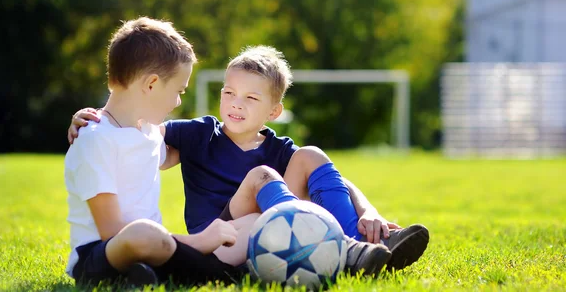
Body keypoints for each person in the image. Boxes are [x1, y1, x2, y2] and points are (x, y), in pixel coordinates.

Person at [69, 45, 428, 273]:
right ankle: (347, 251)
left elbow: (335, 181)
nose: (236, 104)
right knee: (262, 176)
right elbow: (140, 133)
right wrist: (92, 118)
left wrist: (368, 211)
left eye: (251, 99)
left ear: (274, 110)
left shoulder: (278, 148)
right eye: (229, 93)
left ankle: (362, 246)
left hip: (263, 231)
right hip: (217, 240)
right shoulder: (198, 133)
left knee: (311, 156)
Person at [65, 18, 298, 288]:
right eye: (178, 91)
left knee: (255, 222)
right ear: (151, 84)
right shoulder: (95, 140)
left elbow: (189, 154)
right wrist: (199, 241)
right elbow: (113, 233)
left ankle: (180, 273)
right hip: (101, 255)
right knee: (144, 233)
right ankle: (212, 267)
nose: (178, 101)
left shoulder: (149, 133)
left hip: (158, 250)